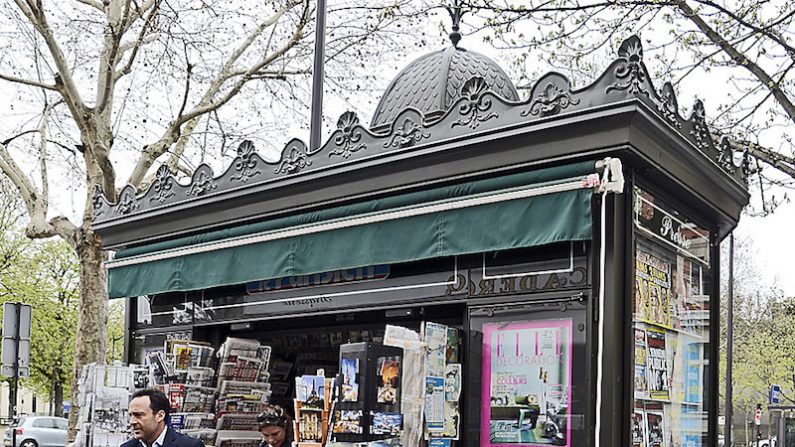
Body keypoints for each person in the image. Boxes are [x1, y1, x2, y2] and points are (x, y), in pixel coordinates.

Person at [121, 388, 203, 447]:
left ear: (160, 416)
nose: (132, 422)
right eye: (131, 415)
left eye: (138, 415)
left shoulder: (190, 445)